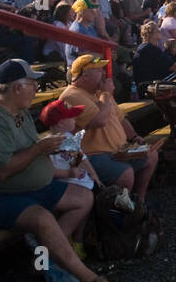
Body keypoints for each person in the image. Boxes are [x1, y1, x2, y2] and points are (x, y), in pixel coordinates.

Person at [0, 59, 123, 282]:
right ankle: (89, 280)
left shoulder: (20, 114)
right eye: (32, 84)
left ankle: (46, 257)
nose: (36, 89)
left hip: (34, 188)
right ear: (17, 88)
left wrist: (50, 150)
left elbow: (33, 150)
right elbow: (2, 171)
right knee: (43, 218)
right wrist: (40, 149)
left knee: (83, 198)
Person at [60, 53, 158, 207]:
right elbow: (99, 121)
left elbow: (121, 119)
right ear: (85, 76)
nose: (104, 74)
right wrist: (106, 93)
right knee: (126, 174)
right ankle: (118, 212)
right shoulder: (72, 95)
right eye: (98, 71)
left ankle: (139, 202)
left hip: (118, 150)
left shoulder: (99, 93)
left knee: (151, 155)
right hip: (92, 155)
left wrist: (133, 137)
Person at [132, 21, 176, 92]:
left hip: (146, 82)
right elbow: (173, 66)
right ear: (152, 34)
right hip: (150, 84)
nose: (160, 32)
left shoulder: (144, 47)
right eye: (158, 31)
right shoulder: (150, 48)